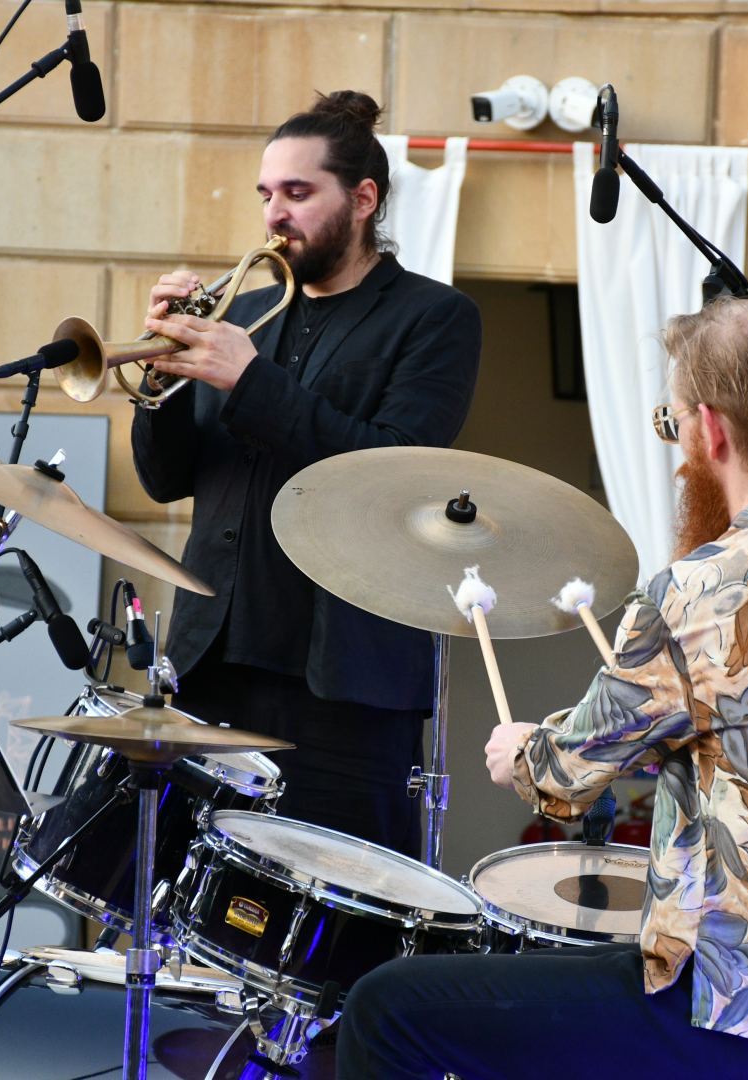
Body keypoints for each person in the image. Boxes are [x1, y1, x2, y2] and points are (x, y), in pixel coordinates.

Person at [337, 298, 748, 1079]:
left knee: (386, 1009)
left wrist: (522, 750)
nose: (678, 453)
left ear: (714, 431)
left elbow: (562, 776)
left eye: (675, 426)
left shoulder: (694, 591)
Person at [131, 90, 481, 857]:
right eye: (265, 194)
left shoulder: (434, 318)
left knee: (333, 935)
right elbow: (167, 481)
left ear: (363, 199)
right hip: (214, 658)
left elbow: (391, 472)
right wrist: (158, 383)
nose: (273, 215)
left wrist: (250, 381)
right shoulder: (246, 310)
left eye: (297, 192)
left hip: (344, 684)